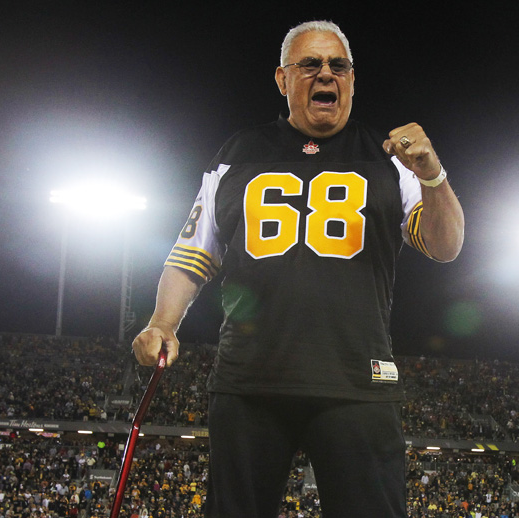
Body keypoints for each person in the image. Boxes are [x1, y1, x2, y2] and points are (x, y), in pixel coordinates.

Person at [132, 19, 464, 518]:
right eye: (309, 64)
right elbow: (193, 253)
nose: (325, 74)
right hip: (249, 382)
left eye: (339, 65)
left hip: (358, 383)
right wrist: (162, 323)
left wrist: (433, 175)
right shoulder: (236, 155)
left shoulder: (390, 159)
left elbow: (446, 246)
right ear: (283, 80)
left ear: (352, 80)